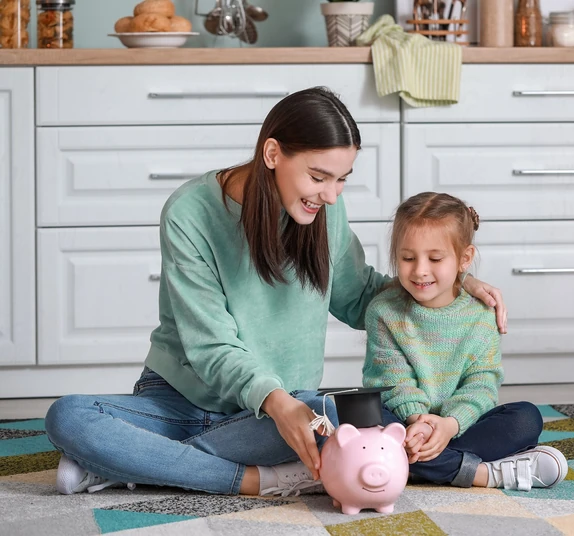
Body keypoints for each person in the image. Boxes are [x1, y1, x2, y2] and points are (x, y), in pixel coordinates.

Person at [43, 87, 508, 498]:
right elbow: (211, 346)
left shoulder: (324, 210)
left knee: (353, 412)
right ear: (272, 153)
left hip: (286, 411)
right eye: (319, 177)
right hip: (182, 402)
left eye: (342, 178)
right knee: (68, 417)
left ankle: (134, 462)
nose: (331, 195)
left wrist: (453, 282)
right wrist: (277, 403)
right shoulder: (189, 213)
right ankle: (253, 480)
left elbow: (361, 296)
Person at [362, 192, 568, 491]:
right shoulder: (383, 311)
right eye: (407, 258)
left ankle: (404, 465)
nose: (420, 270)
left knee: (526, 418)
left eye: (435, 259)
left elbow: (482, 383)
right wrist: (420, 422)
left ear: (464, 259)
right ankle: (481, 473)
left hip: (460, 426)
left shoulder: (481, 315)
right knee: (359, 419)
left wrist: (449, 424)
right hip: (404, 422)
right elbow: (392, 381)